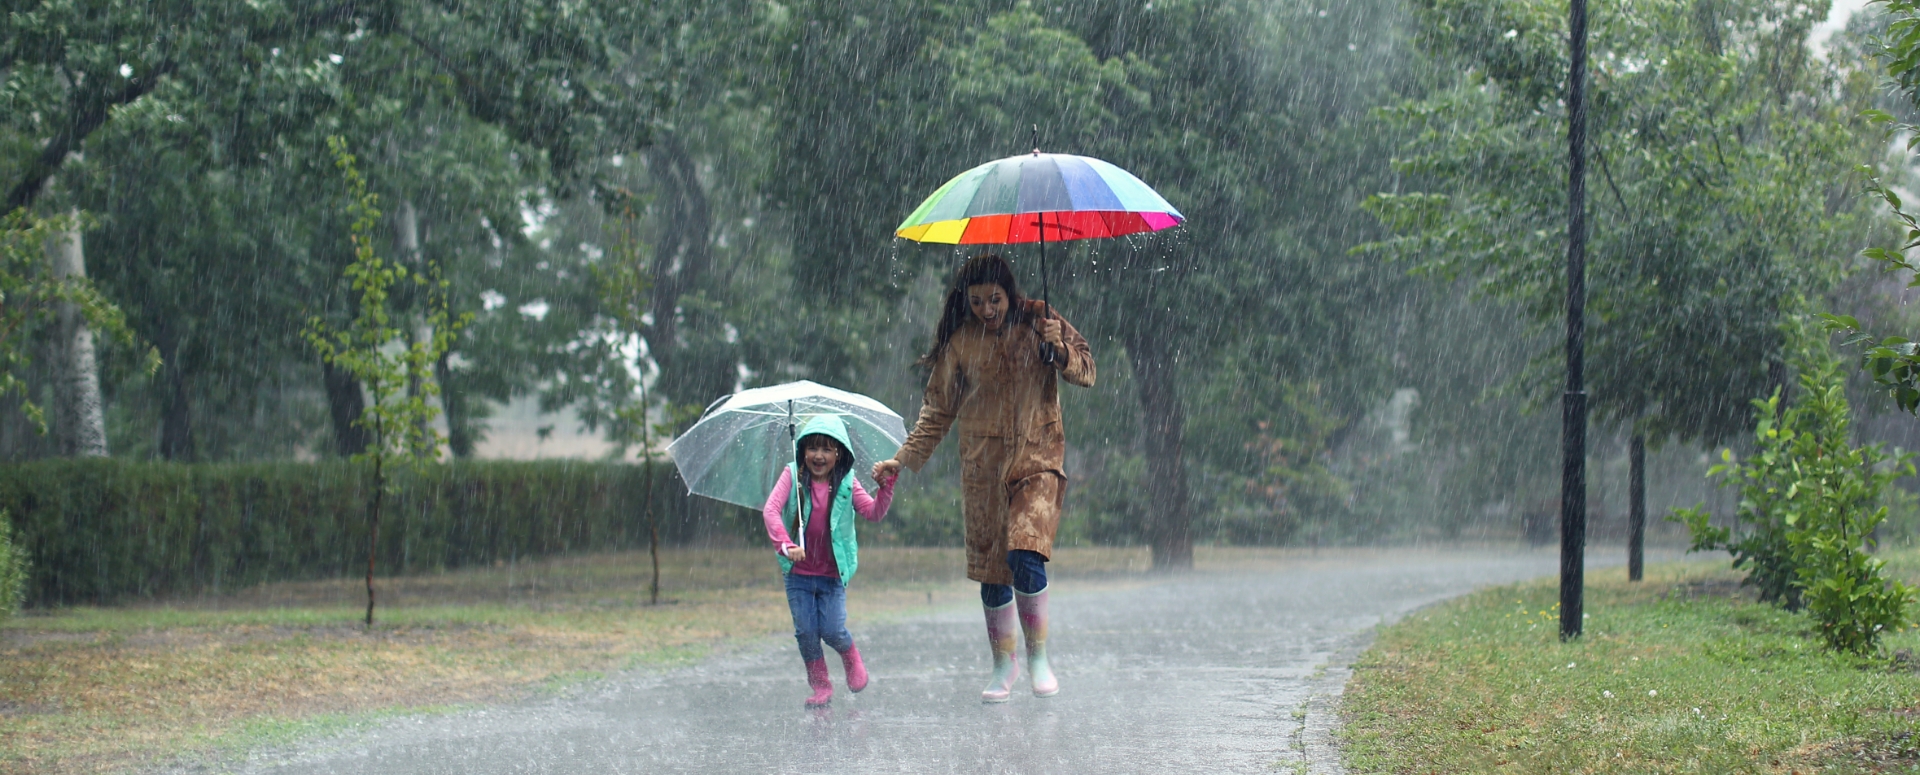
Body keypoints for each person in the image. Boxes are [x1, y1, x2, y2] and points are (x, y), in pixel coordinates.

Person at [871, 253, 1095, 703]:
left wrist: (1061, 350)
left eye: (994, 300)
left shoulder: (1040, 321)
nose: (987, 310)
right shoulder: (961, 343)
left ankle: (1038, 657)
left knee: (1025, 552)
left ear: (1009, 294)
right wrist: (903, 457)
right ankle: (1003, 664)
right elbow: (937, 411)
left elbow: (1087, 371)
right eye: (976, 302)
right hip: (983, 468)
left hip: (1037, 458)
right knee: (994, 571)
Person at [762, 414, 896, 708]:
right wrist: (786, 545)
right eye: (812, 448)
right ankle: (821, 686)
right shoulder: (792, 475)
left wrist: (885, 489)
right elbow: (771, 511)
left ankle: (852, 658)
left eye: (827, 449)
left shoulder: (847, 482)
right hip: (798, 573)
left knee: (832, 629)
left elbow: (873, 512)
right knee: (807, 633)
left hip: (832, 574)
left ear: (839, 453)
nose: (818, 456)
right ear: (803, 451)